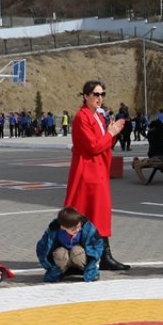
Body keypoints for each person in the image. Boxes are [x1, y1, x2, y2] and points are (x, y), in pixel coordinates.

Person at [64, 80, 130, 270]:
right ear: (85, 96)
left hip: (98, 170)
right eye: (96, 94)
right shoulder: (81, 117)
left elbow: (103, 143)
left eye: (102, 94)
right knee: (90, 212)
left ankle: (102, 255)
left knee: (100, 211)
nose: (99, 98)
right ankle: (92, 255)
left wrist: (112, 133)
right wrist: (110, 133)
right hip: (88, 171)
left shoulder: (98, 117)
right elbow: (93, 146)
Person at [36, 206, 105, 283]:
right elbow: (42, 249)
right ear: (63, 227)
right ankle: (62, 272)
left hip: (80, 259)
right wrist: (50, 267)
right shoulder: (53, 231)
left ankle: (85, 270)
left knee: (76, 251)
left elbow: (98, 244)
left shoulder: (88, 229)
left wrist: (92, 264)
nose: (77, 230)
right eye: (73, 229)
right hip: (63, 261)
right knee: (59, 253)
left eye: (79, 226)